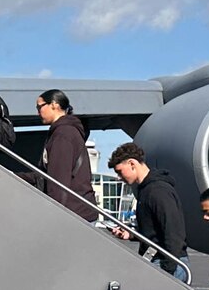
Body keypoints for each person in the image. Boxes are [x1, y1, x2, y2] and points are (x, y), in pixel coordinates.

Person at [108, 142, 185, 275]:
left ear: (132, 164)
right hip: (157, 261)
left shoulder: (158, 191)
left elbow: (173, 232)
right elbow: (154, 231)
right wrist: (131, 234)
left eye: (120, 172)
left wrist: (168, 270)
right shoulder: (146, 190)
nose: (119, 177)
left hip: (165, 263)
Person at [36, 90, 93, 219]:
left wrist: (55, 216)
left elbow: (58, 181)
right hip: (79, 210)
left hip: (74, 214)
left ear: (54, 105)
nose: (38, 112)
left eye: (39, 107)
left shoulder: (63, 134)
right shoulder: (66, 132)